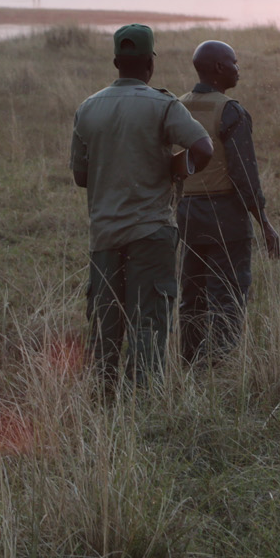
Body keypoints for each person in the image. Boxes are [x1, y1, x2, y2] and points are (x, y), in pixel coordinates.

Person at [71, 24, 212, 389]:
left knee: (105, 321)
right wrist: (173, 169)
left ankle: (104, 396)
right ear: (150, 62)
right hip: (151, 230)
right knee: (148, 320)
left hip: (104, 232)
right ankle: (144, 402)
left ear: (116, 61)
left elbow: (80, 176)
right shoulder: (164, 104)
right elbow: (203, 149)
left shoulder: (87, 108)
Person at [177, 40, 280, 365]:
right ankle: (219, 364)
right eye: (234, 63)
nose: (239, 68)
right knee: (227, 293)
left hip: (186, 215)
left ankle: (189, 362)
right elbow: (244, 175)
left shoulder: (178, 107)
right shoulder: (230, 110)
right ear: (220, 69)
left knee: (191, 295)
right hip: (225, 217)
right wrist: (263, 222)